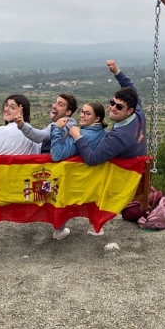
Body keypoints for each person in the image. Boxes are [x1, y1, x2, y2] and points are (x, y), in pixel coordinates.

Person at [49, 102, 109, 240]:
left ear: (97, 119)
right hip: (96, 184)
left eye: (87, 113)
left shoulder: (81, 134)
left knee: (64, 191)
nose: (82, 115)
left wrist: (57, 129)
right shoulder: (107, 134)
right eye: (82, 112)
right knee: (94, 187)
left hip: (74, 182)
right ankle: (94, 225)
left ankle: (59, 230)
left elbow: (57, 154)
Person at [68, 60, 146, 164]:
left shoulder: (119, 136)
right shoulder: (137, 110)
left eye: (119, 107)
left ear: (129, 111)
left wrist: (77, 136)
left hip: (124, 174)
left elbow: (92, 159)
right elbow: (129, 86)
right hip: (138, 165)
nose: (113, 108)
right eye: (112, 102)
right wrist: (116, 71)